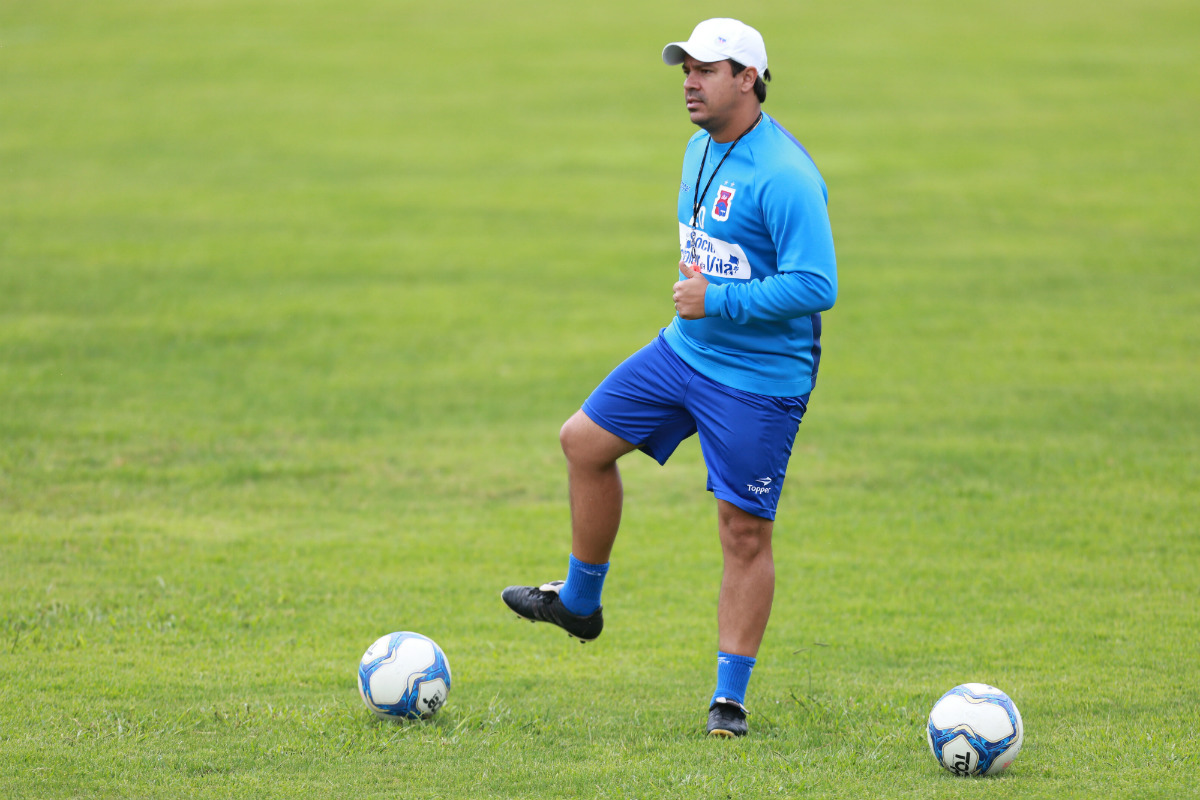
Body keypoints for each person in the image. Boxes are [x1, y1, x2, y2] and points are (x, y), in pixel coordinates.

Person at [502, 17, 837, 738]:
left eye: (706, 70)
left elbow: (818, 284)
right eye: (685, 69)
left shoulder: (786, 175)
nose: (689, 82)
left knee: (742, 532)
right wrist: (706, 304)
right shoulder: (698, 148)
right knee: (583, 442)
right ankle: (580, 603)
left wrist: (719, 300)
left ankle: (729, 701)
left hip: (758, 380)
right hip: (684, 352)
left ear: (748, 78)